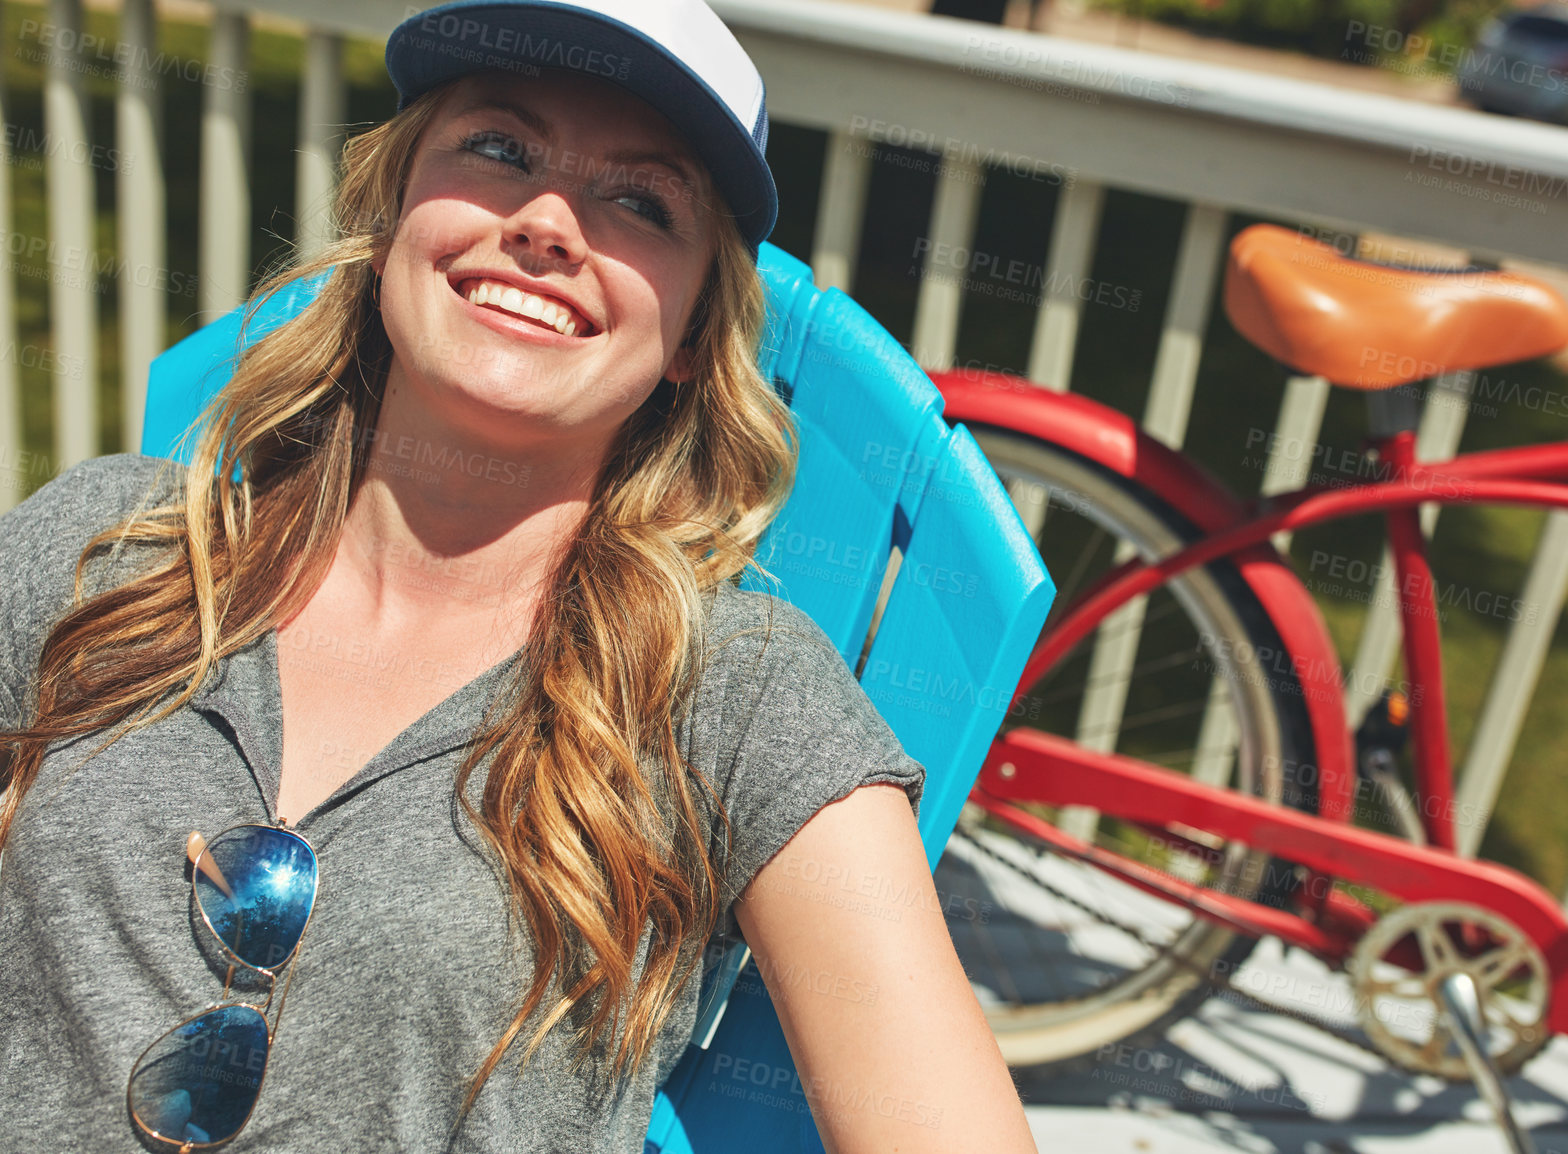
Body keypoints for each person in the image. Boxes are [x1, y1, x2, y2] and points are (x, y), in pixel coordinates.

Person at [0, 1, 1040, 1151]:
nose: (548, 222)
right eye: (499, 150)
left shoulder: (732, 697)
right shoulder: (111, 551)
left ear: (694, 334)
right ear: (394, 211)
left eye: (641, 201)